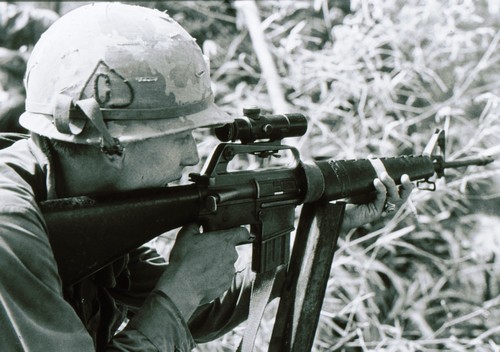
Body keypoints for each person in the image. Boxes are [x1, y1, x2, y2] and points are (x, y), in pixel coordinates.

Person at [0, 3, 413, 351]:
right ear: (113, 144)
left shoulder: (87, 202)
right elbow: (177, 304)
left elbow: (198, 315)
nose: (191, 156)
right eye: (181, 135)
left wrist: (326, 232)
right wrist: (180, 290)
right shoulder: (9, 225)